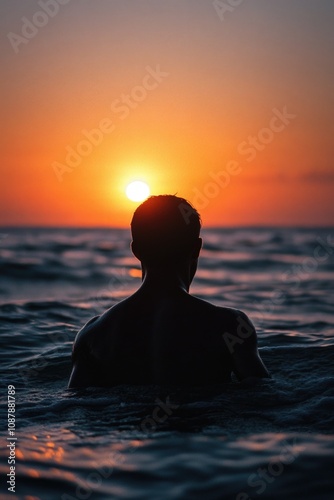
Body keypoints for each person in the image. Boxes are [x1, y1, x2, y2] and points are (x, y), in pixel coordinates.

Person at [68, 195, 270, 388]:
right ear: (197, 248)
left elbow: (76, 405)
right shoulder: (229, 325)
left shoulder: (93, 334)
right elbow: (264, 397)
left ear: (135, 250)